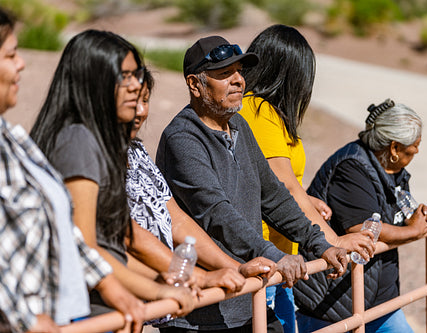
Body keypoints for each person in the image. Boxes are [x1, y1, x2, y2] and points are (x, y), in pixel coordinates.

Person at [155, 35, 349, 332]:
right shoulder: (182, 138)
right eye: (224, 74)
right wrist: (273, 255)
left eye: (239, 72)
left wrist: (319, 244)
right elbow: (216, 213)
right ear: (195, 84)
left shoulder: (239, 126)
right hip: (200, 312)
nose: (238, 81)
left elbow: (274, 196)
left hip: (248, 296)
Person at [29, 29, 194, 318]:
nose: (134, 87)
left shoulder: (98, 143)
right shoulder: (77, 140)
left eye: (136, 75)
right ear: (93, 81)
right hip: (84, 314)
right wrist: (158, 290)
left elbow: (111, 247)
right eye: (124, 77)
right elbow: (86, 248)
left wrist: (160, 281)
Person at [0, 10, 145, 333]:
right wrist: (24, 316)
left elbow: (70, 236)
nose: (21, 63)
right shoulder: (77, 140)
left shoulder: (14, 141)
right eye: (10, 54)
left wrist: (115, 287)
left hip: (66, 315)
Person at [239, 24, 375, 333]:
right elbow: (284, 187)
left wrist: (307, 197)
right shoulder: (258, 110)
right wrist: (332, 241)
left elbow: (278, 181)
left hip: (283, 257)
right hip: (262, 258)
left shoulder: (272, 114)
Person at [126, 67, 276, 306]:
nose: (142, 111)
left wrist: (237, 268)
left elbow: (175, 220)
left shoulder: (135, 152)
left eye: (145, 100)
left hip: (137, 306)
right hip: (102, 309)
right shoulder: (182, 137)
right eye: (131, 99)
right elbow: (128, 238)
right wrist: (200, 277)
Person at [293, 99, 427, 332]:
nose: (417, 150)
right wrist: (414, 231)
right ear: (394, 147)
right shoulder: (351, 168)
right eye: (414, 145)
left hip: (381, 303)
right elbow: (361, 228)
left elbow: (398, 215)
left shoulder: (393, 170)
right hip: (335, 305)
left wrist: (419, 216)